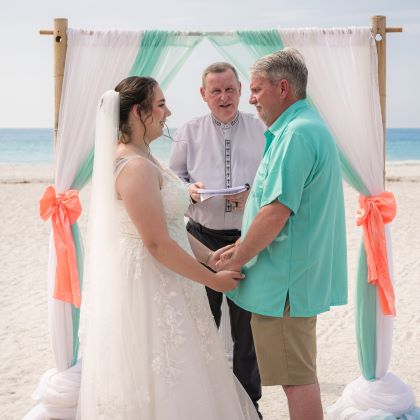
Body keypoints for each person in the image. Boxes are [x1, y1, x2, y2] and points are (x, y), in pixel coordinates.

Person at [77, 76, 260, 419]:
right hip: (152, 283)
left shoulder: (146, 157)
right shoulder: (133, 167)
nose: (168, 112)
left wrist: (208, 257)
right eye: (160, 105)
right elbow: (157, 243)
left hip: (174, 279)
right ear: (138, 112)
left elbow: (171, 225)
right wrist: (213, 280)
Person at [218, 49, 348, 420]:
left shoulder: (297, 134)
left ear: (284, 88)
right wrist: (241, 245)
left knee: (296, 380)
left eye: (257, 90)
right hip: (293, 278)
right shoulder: (306, 127)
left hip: (286, 285)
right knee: (298, 375)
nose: (251, 98)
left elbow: (275, 212)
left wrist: (238, 259)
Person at [169, 62, 265, 416]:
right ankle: (202, 404)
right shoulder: (188, 131)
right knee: (200, 325)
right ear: (203, 94)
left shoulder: (261, 130)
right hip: (199, 239)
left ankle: (248, 405)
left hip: (248, 240)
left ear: (240, 89)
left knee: (247, 332)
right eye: (216, 91)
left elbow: (272, 181)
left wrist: (252, 193)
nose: (224, 97)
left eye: (229, 89)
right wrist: (188, 191)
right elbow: (172, 179)